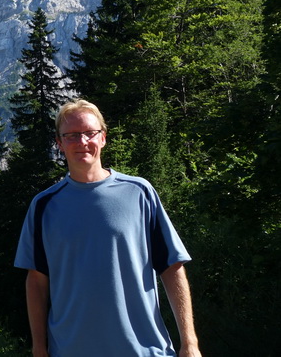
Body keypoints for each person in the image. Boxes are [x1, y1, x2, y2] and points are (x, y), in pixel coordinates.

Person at [14, 99, 201, 356]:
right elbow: (36, 281)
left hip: (144, 350)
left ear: (103, 137)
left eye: (90, 133)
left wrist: (189, 343)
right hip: (71, 350)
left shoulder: (139, 192)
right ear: (59, 143)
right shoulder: (44, 205)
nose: (82, 142)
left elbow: (172, 267)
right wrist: (39, 348)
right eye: (71, 136)